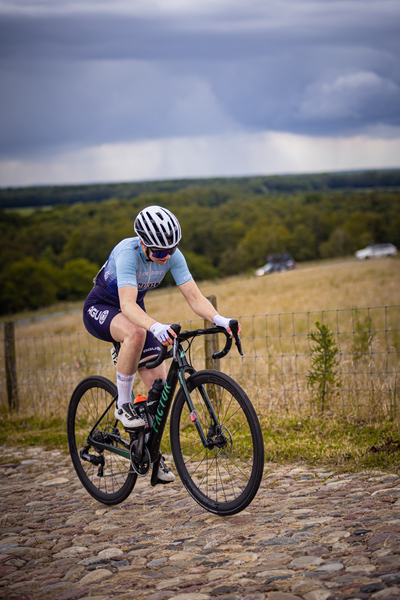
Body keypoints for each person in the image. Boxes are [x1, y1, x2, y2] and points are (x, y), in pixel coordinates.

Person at [83, 205, 241, 483]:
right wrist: (155, 326)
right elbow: (127, 305)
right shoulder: (127, 254)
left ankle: (150, 456)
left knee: (158, 392)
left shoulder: (171, 255)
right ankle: (122, 404)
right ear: (143, 243)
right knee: (136, 333)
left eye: (170, 250)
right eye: (158, 252)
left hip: (133, 313)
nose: (165, 257)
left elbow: (195, 298)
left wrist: (220, 319)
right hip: (103, 308)